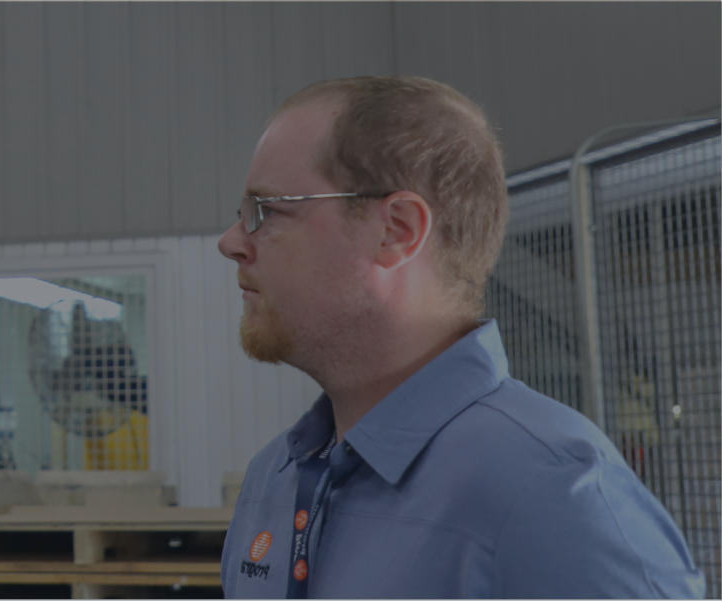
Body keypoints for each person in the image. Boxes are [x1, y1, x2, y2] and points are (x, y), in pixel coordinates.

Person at [216, 75, 705, 598]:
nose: (231, 242)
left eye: (267, 211)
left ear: (397, 230)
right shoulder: (276, 478)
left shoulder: (553, 496)